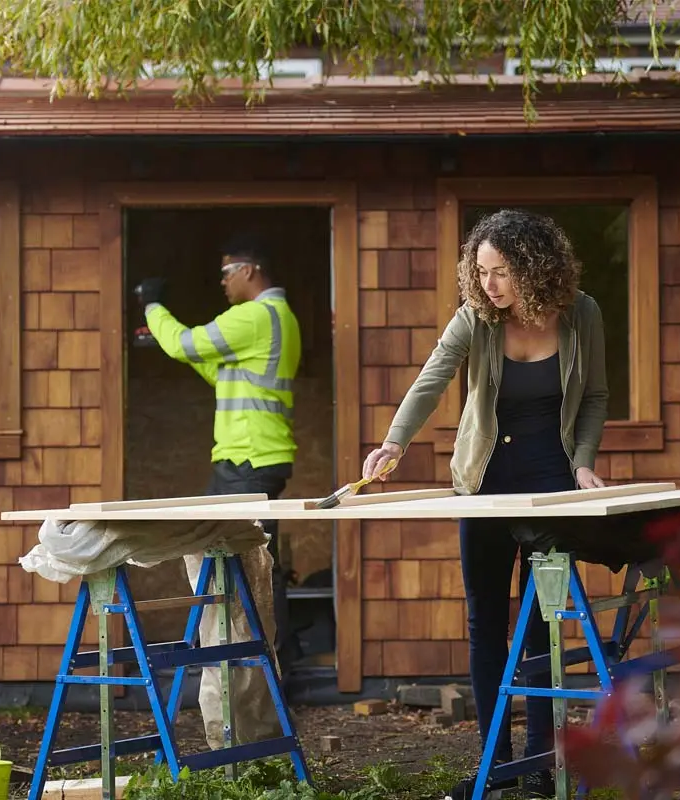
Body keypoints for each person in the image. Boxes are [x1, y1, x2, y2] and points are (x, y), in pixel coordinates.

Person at [361, 209, 608, 799]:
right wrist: (395, 441)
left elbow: (595, 395)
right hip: (486, 480)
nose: (490, 285)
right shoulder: (476, 318)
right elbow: (432, 378)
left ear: (533, 267)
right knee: (486, 622)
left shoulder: (583, 314)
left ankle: (544, 760)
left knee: (544, 625)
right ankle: (495, 765)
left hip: (553, 481)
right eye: (482, 272)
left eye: (501, 272)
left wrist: (583, 462)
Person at [136, 234, 301, 661]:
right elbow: (218, 373)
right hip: (258, 456)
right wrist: (176, 346)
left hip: (245, 457)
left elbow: (184, 343)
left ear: (249, 270)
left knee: (240, 564)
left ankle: (255, 663)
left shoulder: (254, 317)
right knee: (259, 563)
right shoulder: (278, 318)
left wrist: (153, 307)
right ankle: (273, 658)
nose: (223, 284)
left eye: (227, 274)